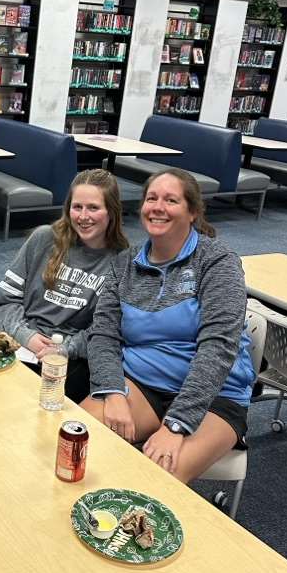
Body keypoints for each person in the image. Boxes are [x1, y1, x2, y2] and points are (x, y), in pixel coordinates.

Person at [81, 168, 255, 483]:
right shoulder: (125, 264)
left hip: (214, 396)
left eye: (171, 200)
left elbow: (218, 347)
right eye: (152, 198)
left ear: (193, 212)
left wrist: (177, 424)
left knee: (156, 480)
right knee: (77, 440)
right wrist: (113, 393)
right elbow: (103, 336)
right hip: (142, 384)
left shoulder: (217, 262)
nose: (158, 207)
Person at [0, 169, 129, 403]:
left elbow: (107, 332)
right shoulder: (44, 239)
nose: (83, 217)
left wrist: (66, 349)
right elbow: (1, 302)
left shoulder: (121, 261)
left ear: (112, 212)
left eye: (94, 207)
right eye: (77, 207)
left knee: (34, 406)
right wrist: (27, 335)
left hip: (72, 357)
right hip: (22, 342)